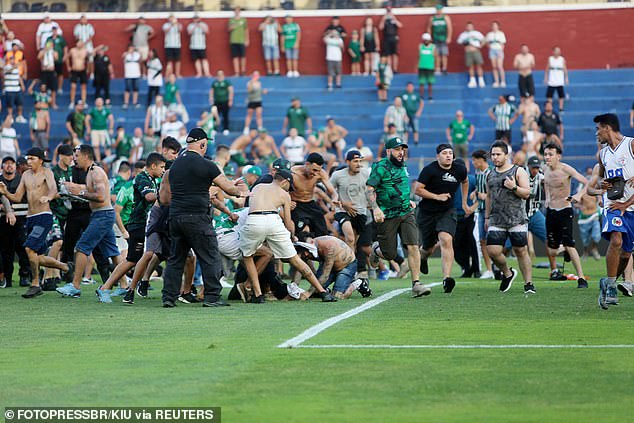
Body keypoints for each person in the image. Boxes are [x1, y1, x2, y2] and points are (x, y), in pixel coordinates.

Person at [161, 128, 249, 308]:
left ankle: (168, 298)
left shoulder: (174, 166)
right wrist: (240, 190)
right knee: (210, 257)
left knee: (176, 259)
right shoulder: (208, 165)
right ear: (202, 144)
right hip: (198, 218)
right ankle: (212, 297)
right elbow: (229, 189)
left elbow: (164, 198)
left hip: (176, 216)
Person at [240, 169, 336, 303]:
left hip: (254, 219)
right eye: (288, 187)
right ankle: (323, 292)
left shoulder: (258, 186)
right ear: (284, 181)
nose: (289, 190)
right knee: (296, 260)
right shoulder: (284, 195)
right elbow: (288, 222)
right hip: (273, 221)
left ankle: (257, 294)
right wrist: (292, 236)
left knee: (248, 256)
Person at [96, 153, 166, 303]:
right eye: (161, 167)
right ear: (153, 166)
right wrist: (165, 195)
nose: (163, 170)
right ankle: (106, 288)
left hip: (147, 223)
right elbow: (148, 197)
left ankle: (137, 285)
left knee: (144, 256)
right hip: (138, 223)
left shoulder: (153, 179)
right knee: (133, 259)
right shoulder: (142, 178)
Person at [0, 148, 69, 298]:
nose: (28, 161)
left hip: (44, 216)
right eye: (28, 158)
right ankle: (65, 267)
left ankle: (35, 283)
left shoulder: (47, 172)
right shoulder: (25, 175)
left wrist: (48, 198)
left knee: (29, 249)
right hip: (29, 218)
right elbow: (17, 197)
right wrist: (5, 192)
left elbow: (53, 189)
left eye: (32, 158)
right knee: (36, 256)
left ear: (41, 160)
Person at [55, 145, 122, 298]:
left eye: (77, 156)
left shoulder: (96, 172)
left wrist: (81, 192)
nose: (74, 159)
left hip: (102, 215)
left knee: (82, 247)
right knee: (113, 252)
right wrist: (74, 189)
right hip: (102, 214)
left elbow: (101, 196)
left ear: (86, 156)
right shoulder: (91, 172)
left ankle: (75, 285)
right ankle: (124, 284)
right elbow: (90, 189)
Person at [366, 137, 429, 297]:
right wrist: (375, 209)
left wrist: (407, 200)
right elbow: (369, 189)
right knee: (390, 254)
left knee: (414, 246)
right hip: (387, 215)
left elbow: (400, 185)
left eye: (402, 149)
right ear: (388, 151)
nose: (401, 153)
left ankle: (416, 284)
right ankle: (376, 250)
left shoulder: (403, 165)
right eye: (397, 149)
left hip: (406, 212)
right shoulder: (380, 167)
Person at [593, 114, 634, 308]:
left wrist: (626, 205)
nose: (596, 133)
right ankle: (610, 286)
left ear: (607, 128)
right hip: (613, 205)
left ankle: (607, 281)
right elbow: (600, 182)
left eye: (598, 129)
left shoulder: (631, 145)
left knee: (626, 255)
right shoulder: (602, 154)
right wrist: (603, 184)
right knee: (616, 240)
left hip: (630, 206)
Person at [415, 144, 468, 293]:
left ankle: (447, 278)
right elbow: (417, 189)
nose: (448, 155)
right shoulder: (429, 170)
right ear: (438, 156)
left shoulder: (459, 169)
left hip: (447, 211)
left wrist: (464, 202)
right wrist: (437, 197)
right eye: (444, 153)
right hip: (427, 213)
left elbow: (465, 181)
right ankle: (423, 258)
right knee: (428, 247)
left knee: (446, 239)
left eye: (450, 153)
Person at [485, 141, 534, 293]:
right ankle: (508, 273)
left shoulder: (518, 171)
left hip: (516, 218)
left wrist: (513, 187)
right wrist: (487, 217)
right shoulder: (490, 173)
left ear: (507, 155)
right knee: (492, 251)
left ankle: (528, 283)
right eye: (493, 154)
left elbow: (527, 193)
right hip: (496, 219)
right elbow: (488, 196)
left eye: (498, 154)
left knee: (521, 251)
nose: (495, 157)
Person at [542, 143, 588, 288]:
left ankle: (581, 278)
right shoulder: (545, 169)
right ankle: (564, 250)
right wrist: (548, 198)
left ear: (558, 156)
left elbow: (587, 182)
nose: (547, 157)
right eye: (546, 154)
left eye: (550, 154)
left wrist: (579, 194)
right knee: (552, 250)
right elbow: (547, 185)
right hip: (551, 211)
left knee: (570, 244)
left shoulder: (566, 169)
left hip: (565, 210)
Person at [330, 150, 373, 278]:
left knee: (354, 243)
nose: (358, 164)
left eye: (360, 161)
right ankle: (350, 272)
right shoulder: (337, 175)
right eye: (355, 161)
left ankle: (350, 269)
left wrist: (373, 203)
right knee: (350, 238)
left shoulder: (366, 173)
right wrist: (343, 204)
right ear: (347, 162)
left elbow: (373, 190)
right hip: (343, 211)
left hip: (360, 213)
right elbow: (330, 195)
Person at [0, 156, 32, 288]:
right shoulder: (0, 181)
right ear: (2, 167)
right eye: (6, 163)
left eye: (11, 163)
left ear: (15, 166)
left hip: (22, 219)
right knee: (6, 249)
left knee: (23, 247)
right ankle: (7, 277)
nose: (9, 166)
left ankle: (24, 275)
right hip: (3, 220)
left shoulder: (21, 180)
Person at [294, 234, 357, 299]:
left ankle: (356, 283)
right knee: (316, 292)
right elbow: (300, 268)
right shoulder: (305, 251)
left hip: (346, 265)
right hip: (327, 265)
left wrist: (308, 292)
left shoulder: (328, 247)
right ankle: (327, 290)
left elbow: (325, 275)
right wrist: (293, 289)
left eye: (306, 250)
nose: (306, 254)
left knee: (337, 296)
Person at [290, 153, 338, 237]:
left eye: (318, 170)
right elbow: (282, 190)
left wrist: (334, 199)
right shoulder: (293, 173)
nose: (316, 174)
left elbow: (332, 191)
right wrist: (288, 202)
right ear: (307, 164)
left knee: (322, 230)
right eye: (314, 170)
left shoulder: (321, 173)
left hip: (310, 204)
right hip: (296, 205)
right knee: (303, 231)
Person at [471, 150, 494, 279]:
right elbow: (480, 188)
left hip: (492, 212)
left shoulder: (491, 172)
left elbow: (495, 190)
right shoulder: (478, 172)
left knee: (494, 241)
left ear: (481, 160)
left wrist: (486, 196)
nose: (473, 162)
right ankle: (489, 269)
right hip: (481, 210)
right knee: (482, 241)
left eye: (475, 160)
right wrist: (475, 192)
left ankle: (497, 267)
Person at [456, 22, 485, 88]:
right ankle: (472, 81)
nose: (469, 27)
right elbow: (459, 41)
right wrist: (464, 43)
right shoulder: (463, 35)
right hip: (468, 52)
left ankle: (481, 80)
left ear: (473, 27)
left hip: (476, 51)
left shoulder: (477, 33)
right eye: (468, 26)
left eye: (470, 26)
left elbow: (484, 40)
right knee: (470, 66)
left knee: (479, 65)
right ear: (466, 27)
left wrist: (480, 46)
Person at [85, 97, 114, 162]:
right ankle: (98, 161)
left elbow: (111, 119)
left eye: (100, 101)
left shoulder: (106, 110)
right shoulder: (93, 110)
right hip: (94, 130)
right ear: (95, 102)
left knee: (107, 145)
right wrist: (88, 128)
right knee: (96, 146)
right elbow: (87, 119)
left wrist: (111, 128)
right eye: (97, 101)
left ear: (102, 102)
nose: (99, 102)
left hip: (104, 130)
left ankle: (108, 160)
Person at [427, 4, 452, 75]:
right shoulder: (432, 18)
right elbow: (429, 28)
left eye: (440, 10)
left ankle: (444, 68)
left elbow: (449, 28)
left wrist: (449, 37)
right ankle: (437, 69)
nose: (439, 11)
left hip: (443, 38)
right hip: (435, 38)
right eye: (437, 10)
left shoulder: (446, 17)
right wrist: (430, 37)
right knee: (436, 54)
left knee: (444, 54)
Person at [544, 46, 569, 112]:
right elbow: (547, 69)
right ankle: (550, 108)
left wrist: (566, 78)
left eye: (559, 50)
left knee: (561, 95)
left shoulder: (562, 59)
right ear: (553, 51)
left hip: (560, 81)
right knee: (549, 96)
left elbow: (565, 69)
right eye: (556, 50)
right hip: (551, 81)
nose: (558, 52)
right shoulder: (550, 59)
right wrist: (546, 78)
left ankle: (561, 108)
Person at [379, 6, 403, 73]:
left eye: (389, 11)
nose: (388, 12)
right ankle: (389, 69)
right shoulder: (384, 20)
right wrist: (383, 19)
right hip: (386, 38)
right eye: (388, 11)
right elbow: (380, 27)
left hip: (394, 37)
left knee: (395, 54)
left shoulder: (394, 19)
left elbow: (400, 25)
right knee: (388, 54)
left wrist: (394, 18)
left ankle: (395, 69)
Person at [3, 56, 26, 122]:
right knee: (10, 105)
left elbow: (19, 77)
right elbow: (9, 71)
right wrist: (15, 66)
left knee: (20, 103)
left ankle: (19, 117)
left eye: (13, 59)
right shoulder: (6, 67)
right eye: (11, 59)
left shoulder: (16, 68)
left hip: (17, 89)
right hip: (9, 89)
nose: (12, 60)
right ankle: (10, 117)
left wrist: (22, 85)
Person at [67, 40, 88, 109]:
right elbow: (66, 57)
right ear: (76, 43)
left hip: (82, 70)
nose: (80, 44)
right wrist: (68, 66)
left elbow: (89, 60)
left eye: (81, 43)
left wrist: (88, 68)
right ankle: (72, 102)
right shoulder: (72, 50)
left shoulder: (85, 51)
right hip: (74, 70)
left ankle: (84, 102)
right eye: (79, 42)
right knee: (73, 86)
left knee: (83, 87)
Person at [37, 40, 59, 109]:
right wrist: (45, 51)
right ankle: (43, 102)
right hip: (44, 72)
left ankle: (53, 103)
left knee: (53, 88)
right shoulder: (42, 52)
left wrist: (51, 52)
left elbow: (56, 58)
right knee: (43, 87)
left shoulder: (54, 52)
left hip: (51, 72)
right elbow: (38, 57)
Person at [46, 26, 67, 97]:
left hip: (59, 59)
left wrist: (65, 55)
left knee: (60, 74)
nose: (54, 32)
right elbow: (47, 47)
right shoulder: (49, 39)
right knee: (50, 74)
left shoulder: (60, 38)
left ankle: (60, 88)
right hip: (50, 60)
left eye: (55, 30)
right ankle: (49, 87)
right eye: (53, 30)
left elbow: (65, 47)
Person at [485, 21, 506, 88]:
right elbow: (487, 42)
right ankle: (496, 81)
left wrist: (501, 50)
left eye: (495, 25)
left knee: (500, 66)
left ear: (498, 26)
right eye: (493, 25)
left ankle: (503, 81)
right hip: (492, 51)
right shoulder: (489, 34)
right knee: (494, 67)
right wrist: (490, 48)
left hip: (499, 50)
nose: (494, 27)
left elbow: (503, 43)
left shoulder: (501, 34)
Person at [228, 7, 249, 77]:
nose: (237, 12)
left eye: (238, 10)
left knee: (243, 57)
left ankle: (243, 72)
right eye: (235, 10)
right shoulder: (231, 20)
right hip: (233, 40)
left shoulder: (243, 20)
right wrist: (232, 27)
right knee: (235, 57)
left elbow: (246, 30)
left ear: (240, 11)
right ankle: (236, 72)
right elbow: (228, 29)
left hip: (241, 40)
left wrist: (247, 39)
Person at [73, 15, 95, 79]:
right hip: (80, 44)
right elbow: (76, 36)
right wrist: (80, 43)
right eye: (82, 19)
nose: (83, 21)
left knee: (91, 58)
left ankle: (91, 73)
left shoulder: (90, 26)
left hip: (88, 45)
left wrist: (85, 43)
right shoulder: (77, 27)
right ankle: (79, 74)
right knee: (79, 59)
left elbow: (91, 36)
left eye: (84, 19)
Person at [122, 44, 141, 109]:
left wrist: (137, 51)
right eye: (130, 48)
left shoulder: (137, 54)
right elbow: (123, 57)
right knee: (127, 88)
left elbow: (140, 58)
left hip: (136, 74)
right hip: (128, 75)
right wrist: (129, 52)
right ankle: (126, 103)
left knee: (136, 89)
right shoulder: (126, 54)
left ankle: (135, 102)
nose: (132, 49)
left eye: (132, 48)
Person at [417, 33, 436, 100]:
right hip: (422, 66)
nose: (426, 41)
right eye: (425, 40)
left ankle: (430, 96)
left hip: (430, 67)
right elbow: (419, 56)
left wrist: (435, 66)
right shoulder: (420, 46)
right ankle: (421, 96)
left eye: (427, 40)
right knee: (421, 82)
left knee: (430, 83)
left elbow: (435, 56)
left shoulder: (433, 47)